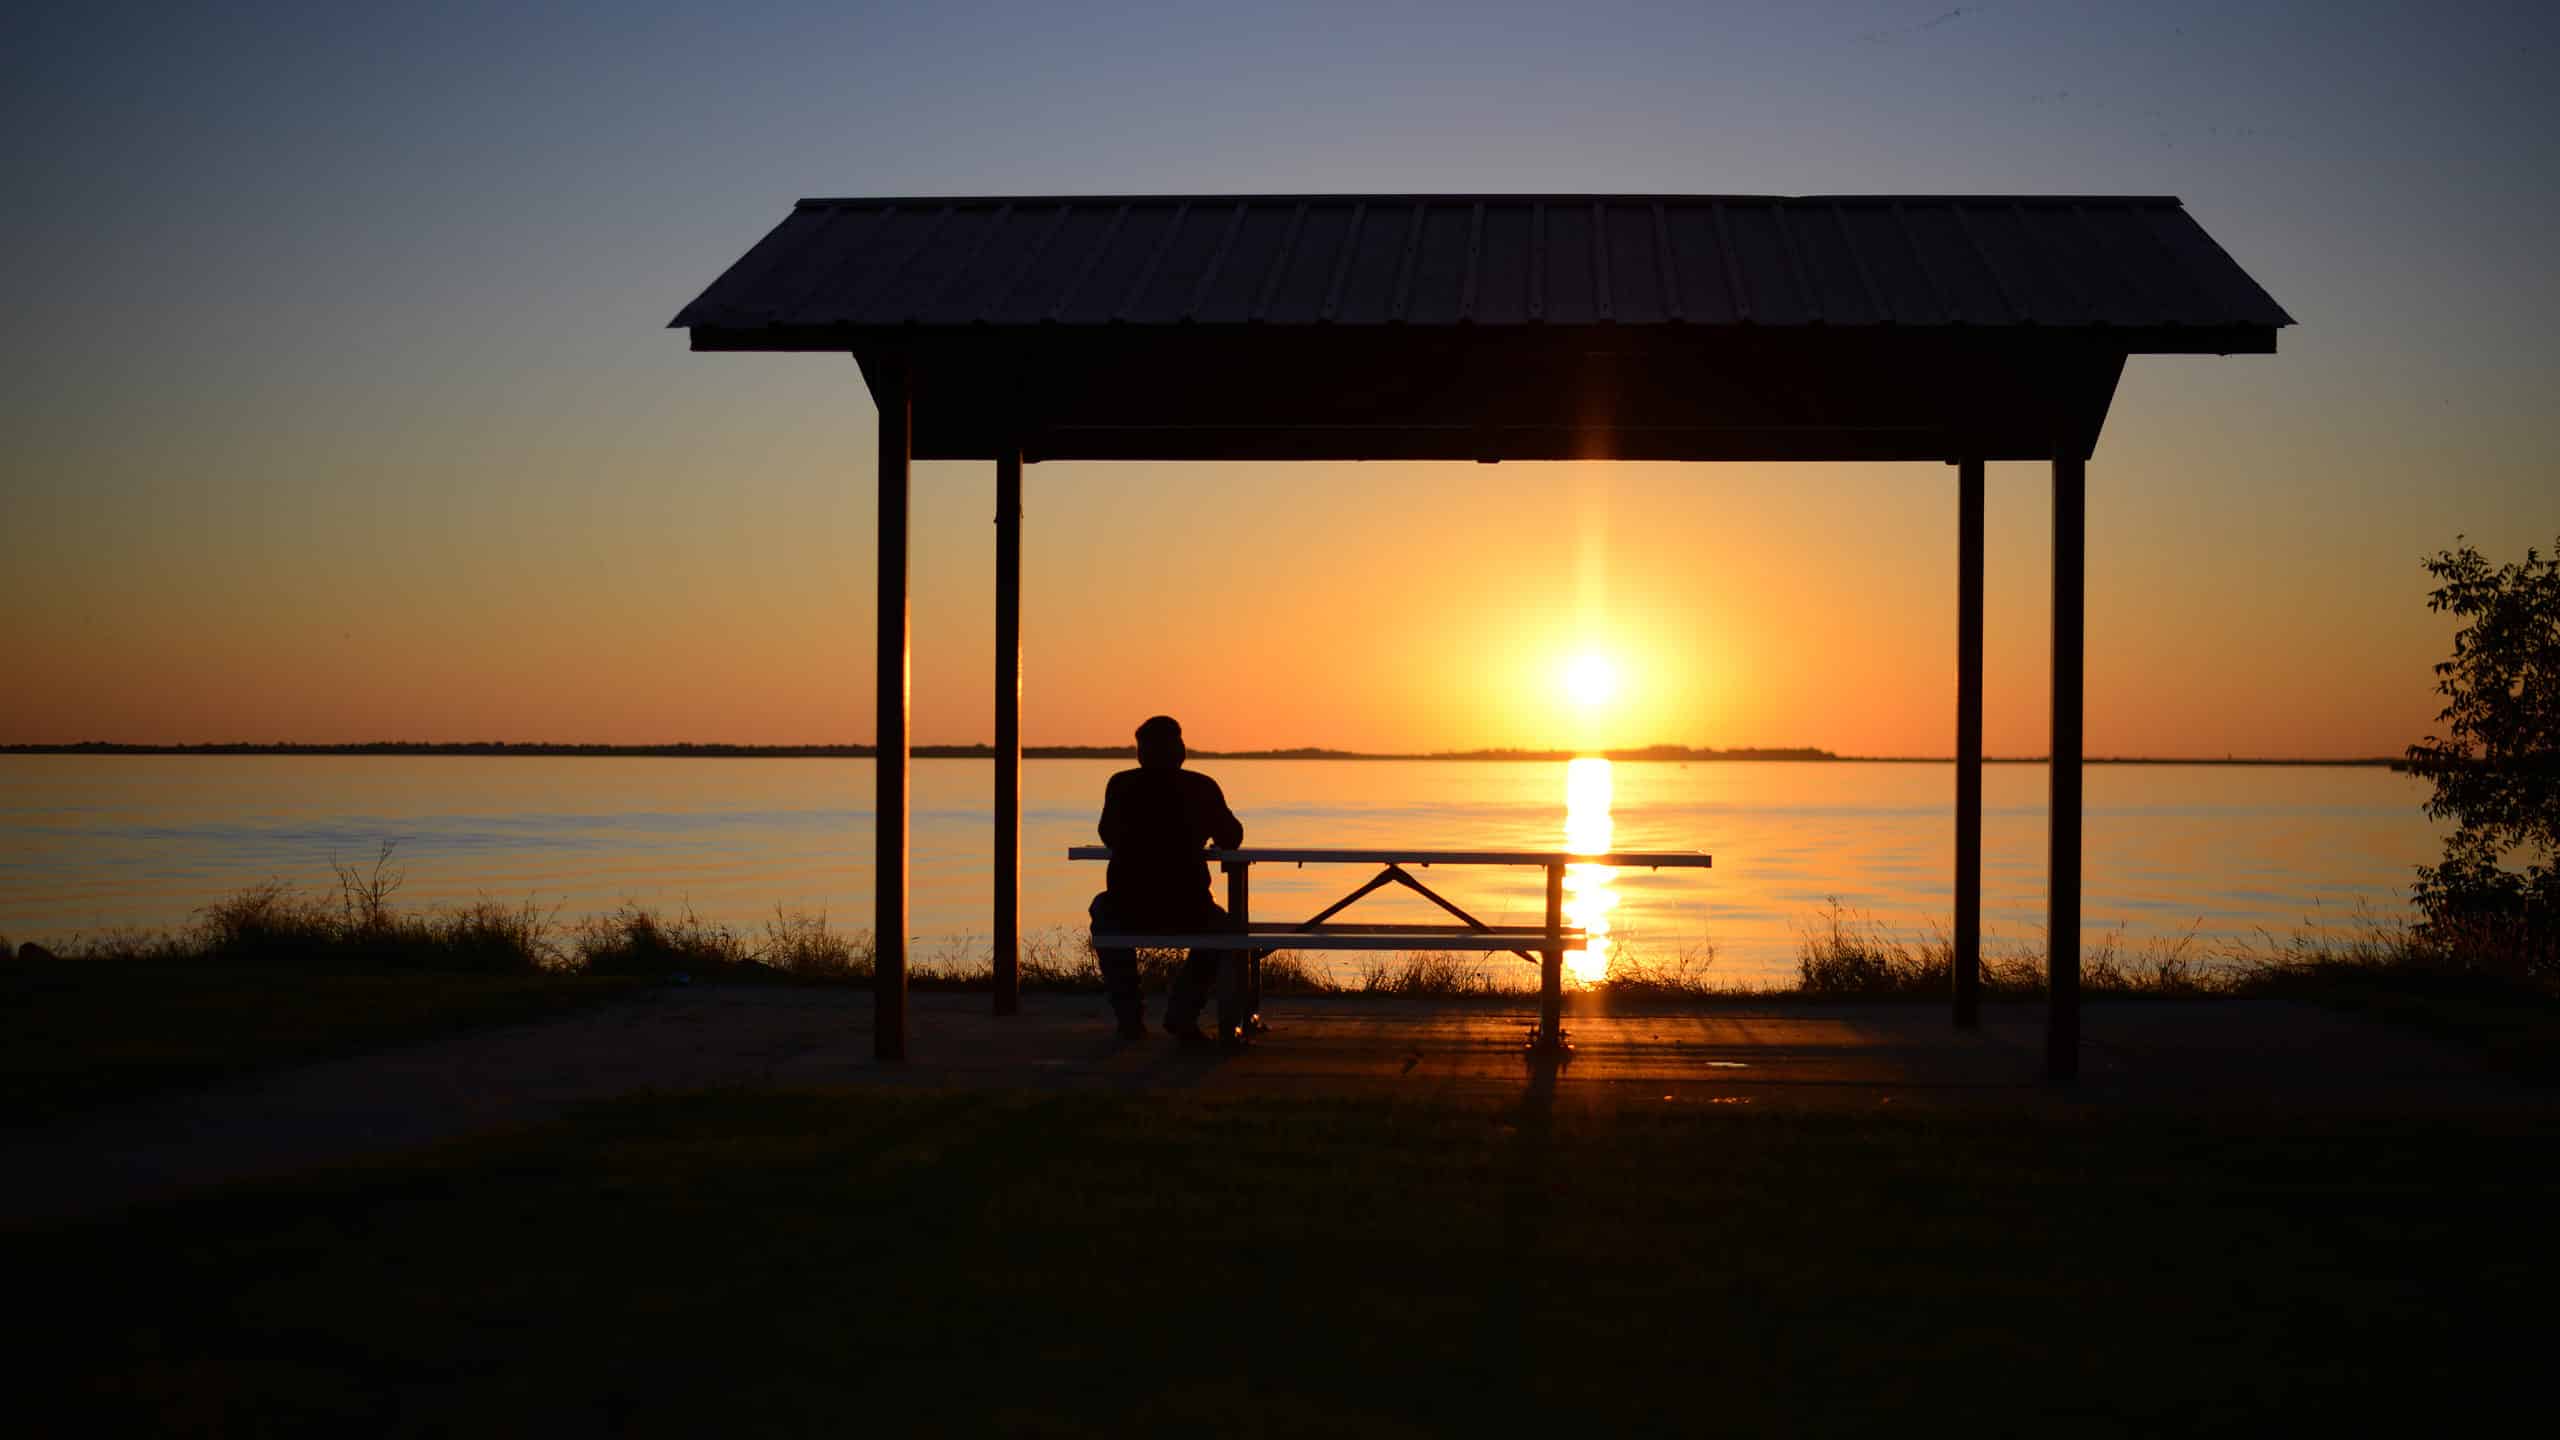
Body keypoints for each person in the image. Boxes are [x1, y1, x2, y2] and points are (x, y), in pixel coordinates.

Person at [1089, 715, 1244, 1044]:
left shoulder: (1120, 785)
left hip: (1128, 907)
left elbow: (1107, 834)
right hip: (1188, 908)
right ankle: (1182, 1013)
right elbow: (1232, 837)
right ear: (1180, 751)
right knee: (1227, 928)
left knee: (1102, 911)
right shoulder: (1201, 786)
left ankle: (1129, 1017)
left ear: (1141, 754)